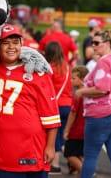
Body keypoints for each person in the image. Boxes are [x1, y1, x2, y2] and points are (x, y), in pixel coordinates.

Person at [0, 25, 60, 178]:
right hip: (5, 152)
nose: (11, 47)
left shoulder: (36, 73)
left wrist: (50, 146)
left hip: (33, 149)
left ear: (21, 45)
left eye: (15, 42)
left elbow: (51, 115)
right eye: (6, 42)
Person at [74, 29, 111, 178]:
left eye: (96, 43)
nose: (93, 45)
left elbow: (102, 89)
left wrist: (81, 92)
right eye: (93, 42)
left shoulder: (104, 61)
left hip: (102, 115)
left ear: (106, 44)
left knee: (90, 155)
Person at [44, 41, 73, 175]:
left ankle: (55, 165)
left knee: (53, 135)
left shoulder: (50, 67)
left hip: (55, 105)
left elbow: (46, 87)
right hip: (68, 104)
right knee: (63, 135)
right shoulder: (67, 67)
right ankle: (71, 160)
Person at [63, 66, 89, 178]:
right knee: (81, 155)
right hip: (87, 130)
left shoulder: (78, 94)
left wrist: (66, 130)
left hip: (77, 130)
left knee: (69, 154)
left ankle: (86, 173)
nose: (71, 80)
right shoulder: (90, 92)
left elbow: (72, 114)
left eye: (74, 78)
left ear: (82, 79)